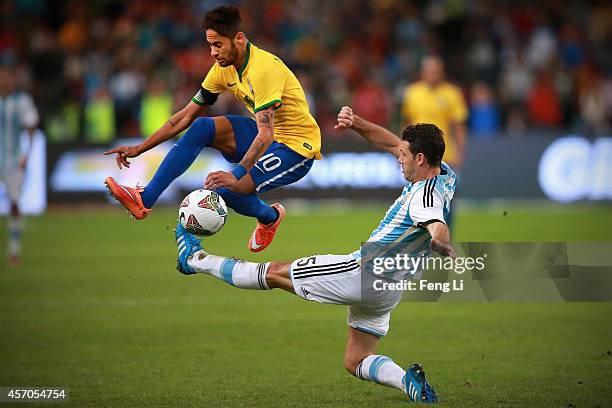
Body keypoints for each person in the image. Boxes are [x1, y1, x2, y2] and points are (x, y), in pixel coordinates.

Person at [173, 106, 457, 403]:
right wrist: (358, 123)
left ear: (420, 159)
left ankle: (194, 259)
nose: (400, 159)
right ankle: (407, 382)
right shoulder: (445, 176)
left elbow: (435, 222)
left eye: (405, 156)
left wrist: (441, 241)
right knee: (356, 359)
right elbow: (390, 143)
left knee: (273, 274)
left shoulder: (425, 198)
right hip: (389, 289)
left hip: (361, 273)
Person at [104, 6, 321, 253]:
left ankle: (269, 217)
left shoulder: (264, 70)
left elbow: (266, 133)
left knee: (224, 187)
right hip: (267, 134)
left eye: (218, 45)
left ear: (238, 38)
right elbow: (184, 117)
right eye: (210, 45)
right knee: (200, 127)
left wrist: (236, 173)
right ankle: (144, 199)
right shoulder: (222, 69)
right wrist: (139, 148)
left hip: (296, 147)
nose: (213, 52)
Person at [0, 65, 39, 267]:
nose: (4, 81)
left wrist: (26, 154)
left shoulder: (21, 101)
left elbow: (32, 126)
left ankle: (14, 250)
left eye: (7, 77)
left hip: (13, 160)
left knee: (14, 204)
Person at [401, 56, 467, 170]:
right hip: (418, 155)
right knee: (420, 188)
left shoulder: (452, 93)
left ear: (442, 73)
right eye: (429, 71)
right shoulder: (412, 93)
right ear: (422, 72)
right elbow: (407, 124)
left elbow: (459, 126)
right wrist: (403, 151)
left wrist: (460, 153)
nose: (432, 75)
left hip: (445, 156)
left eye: (435, 71)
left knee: (445, 187)